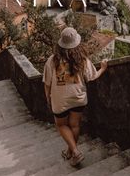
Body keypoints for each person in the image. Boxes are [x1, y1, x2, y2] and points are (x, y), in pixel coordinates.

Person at [43, 27, 108, 166]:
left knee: (61, 125)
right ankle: (71, 151)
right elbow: (92, 76)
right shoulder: (82, 60)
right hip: (78, 98)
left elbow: (47, 83)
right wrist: (102, 68)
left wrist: (48, 98)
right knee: (75, 125)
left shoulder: (51, 61)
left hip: (60, 100)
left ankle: (76, 152)